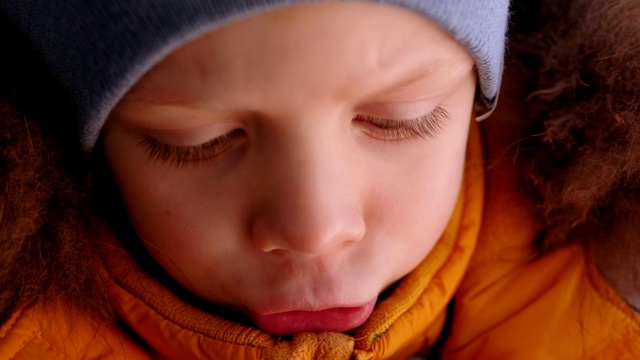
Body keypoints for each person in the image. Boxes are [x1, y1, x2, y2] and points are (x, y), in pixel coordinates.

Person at [0, 0, 637, 359]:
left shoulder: (613, 280)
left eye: (397, 121)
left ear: (475, 89)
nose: (316, 227)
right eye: (199, 141)